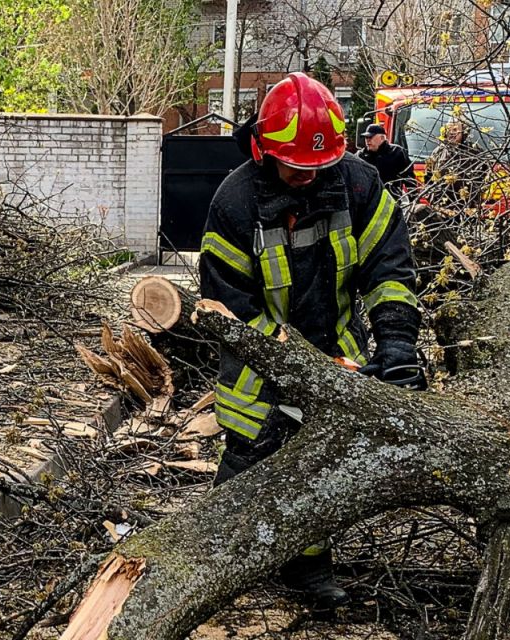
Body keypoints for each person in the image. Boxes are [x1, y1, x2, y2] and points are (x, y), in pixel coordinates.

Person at [199, 72, 421, 612]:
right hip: (258, 354)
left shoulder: (360, 185)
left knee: (321, 461)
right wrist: (298, 362)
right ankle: (211, 561)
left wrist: (395, 344)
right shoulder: (235, 203)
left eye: (317, 167)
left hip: (337, 341)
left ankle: (308, 566)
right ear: (264, 149)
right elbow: (228, 305)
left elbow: (389, 270)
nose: (306, 177)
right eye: (296, 166)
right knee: (252, 453)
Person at [423, 120, 490, 208]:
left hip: (468, 205)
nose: (451, 133)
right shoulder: (438, 152)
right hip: (442, 205)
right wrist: (433, 199)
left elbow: (487, 175)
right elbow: (428, 178)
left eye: (455, 130)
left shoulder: (475, 151)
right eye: (449, 129)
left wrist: (476, 197)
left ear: (464, 132)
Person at [357, 123, 415, 197]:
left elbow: (409, 179)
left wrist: (414, 199)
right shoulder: (360, 156)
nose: (367, 140)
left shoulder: (397, 152)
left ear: (382, 138)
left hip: (391, 200)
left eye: (370, 137)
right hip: (367, 202)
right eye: (366, 138)